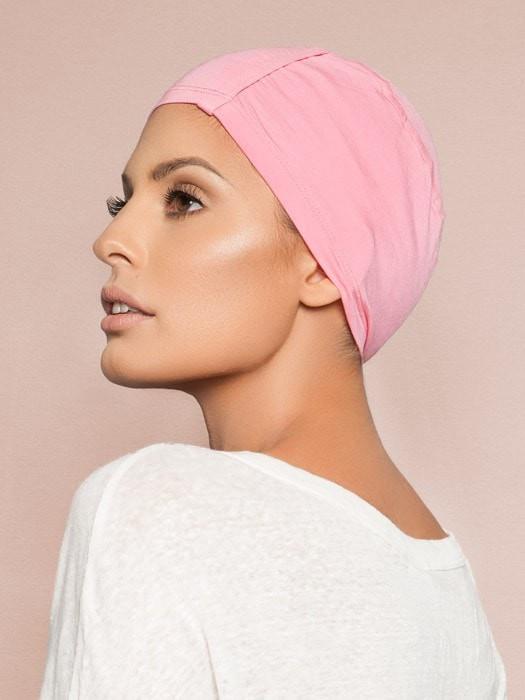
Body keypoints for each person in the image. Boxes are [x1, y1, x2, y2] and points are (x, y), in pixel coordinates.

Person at [39, 47, 507, 698]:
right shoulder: (451, 600)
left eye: (184, 199)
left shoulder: (158, 503)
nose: (110, 240)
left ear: (322, 261)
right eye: (124, 201)